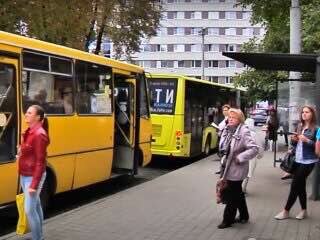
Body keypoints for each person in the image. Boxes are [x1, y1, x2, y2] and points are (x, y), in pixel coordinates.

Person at [217, 108, 259, 229]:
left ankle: (227, 220)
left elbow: (254, 149)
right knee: (238, 193)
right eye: (229, 117)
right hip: (227, 167)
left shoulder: (243, 131)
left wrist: (240, 157)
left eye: (233, 118)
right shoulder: (228, 130)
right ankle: (244, 216)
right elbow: (223, 147)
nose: (230, 119)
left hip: (237, 169)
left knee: (232, 195)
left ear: (239, 119)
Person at [274, 106, 318, 220]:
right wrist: (294, 141)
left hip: (308, 160)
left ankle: (286, 211)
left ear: (312, 114)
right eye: (303, 112)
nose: (304, 114)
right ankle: (304, 211)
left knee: (295, 185)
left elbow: (317, 147)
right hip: (297, 158)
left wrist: (307, 140)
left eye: (307, 112)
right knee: (300, 186)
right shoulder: (300, 126)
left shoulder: (316, 129)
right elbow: (295, 143)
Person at [17, 105, 49, 240]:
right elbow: (30, 152)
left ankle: (37, 238)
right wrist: (21, 150)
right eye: (27, 112)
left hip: (32, 177)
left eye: (29, 113)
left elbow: (40, 162)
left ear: (37, 117)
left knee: (29, 210)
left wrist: (33, 185)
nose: (26, 114)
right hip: (25, 174)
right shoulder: (29, 131)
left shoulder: (39, 134)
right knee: (35, 206)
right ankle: (39, 235)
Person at [242, 117, 264, 194]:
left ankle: (240, 189)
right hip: (251, 158)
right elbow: (259, 147)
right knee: (247, 174)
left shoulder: (240, 132)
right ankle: (243, 189)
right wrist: (260, 155)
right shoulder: (254, 135)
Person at [215, 104, 231, 174]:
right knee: (222, 154)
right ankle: (221, 168)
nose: (224, 111)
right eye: (223, 110)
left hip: (227, 139)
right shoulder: (225, 118)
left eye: (226, 110)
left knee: (225, 154)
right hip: (222, 137)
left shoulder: (229, 118)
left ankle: (224, 169)